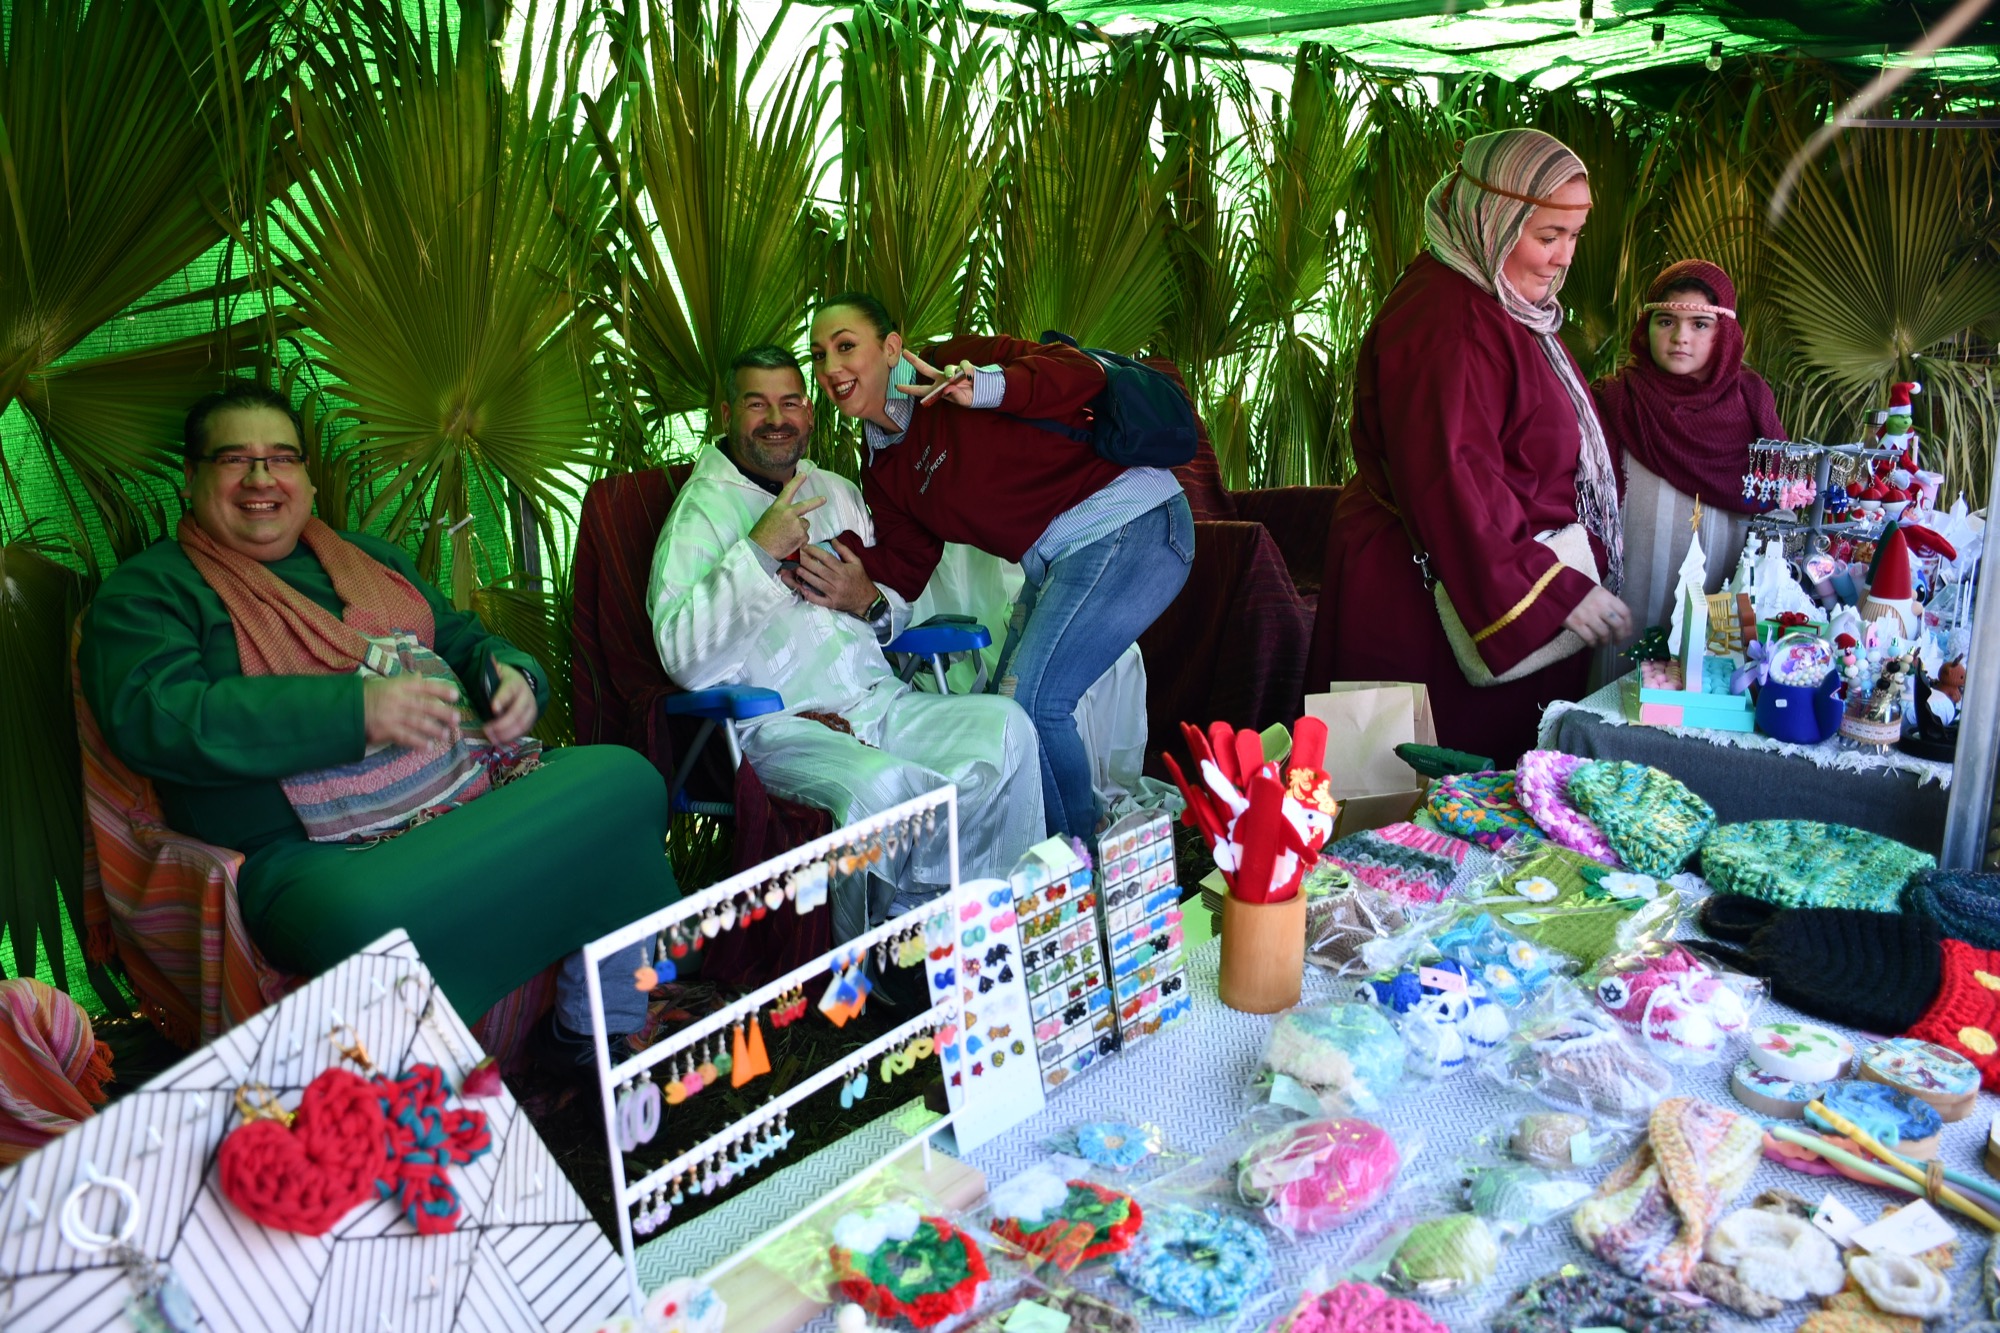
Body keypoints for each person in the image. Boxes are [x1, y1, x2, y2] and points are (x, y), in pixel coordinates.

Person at [80, 383, 671, 1064]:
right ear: (191, 478)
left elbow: (462, 639)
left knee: (624, 779)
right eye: (235, 459)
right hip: (313, 854)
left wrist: (511, 676)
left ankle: (591, 1026)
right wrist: (356, 712)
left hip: (469, 790)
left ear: (306, 477)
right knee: (367, 919)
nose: (261, 478)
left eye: (281, 458)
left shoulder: (367, 558)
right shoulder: (150, 590)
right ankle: (442, 1093)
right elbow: (159, 717)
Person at [648, 346, 1045, 934]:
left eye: (790, 402)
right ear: (726, 414)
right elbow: (683, 658)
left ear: (809, 413)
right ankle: (888, 951)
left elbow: (896, 607)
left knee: (1006, 728)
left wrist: (866, 599)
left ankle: (994, 922)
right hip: (786, 729)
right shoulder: (699, 515)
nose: (776, 419)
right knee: (879, 788)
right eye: (757, 405)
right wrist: (758, 552)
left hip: (877, 701)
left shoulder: (836, 491)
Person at [806, 294, 1194, 840]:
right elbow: (907, 564)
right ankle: (1096, 839)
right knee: (1007, 714)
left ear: (891, 349)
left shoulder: (952, 362)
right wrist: (834, 564)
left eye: (846, 346)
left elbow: (1079, 372)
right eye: (818, 355)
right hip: (1059, 564)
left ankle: (1083, 870)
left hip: (1132, 521)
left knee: (1035, 703)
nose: (831, 366)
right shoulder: (882, 468)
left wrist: (987, 386)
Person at [1305, 129, 1631, 765]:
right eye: (1548, 236)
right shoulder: (1447, 321)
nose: (1564, 258)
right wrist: (1551, 588)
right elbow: (1453, 478)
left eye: (1574, 236)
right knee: (1411, 790)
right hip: (1423, 596)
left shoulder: (1495, 301)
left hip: (1473, 572)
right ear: (1495, 220)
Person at [1594, 259, 1786, 633]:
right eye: (1666, 321)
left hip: (1724, 603)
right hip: (1626, 600)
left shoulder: (1752, 405)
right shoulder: (1616, 400)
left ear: (1724, 333)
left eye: (1700, 324)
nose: (1680, 337)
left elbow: (1778, 501)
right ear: (1646, 327)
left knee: (1711, 662)